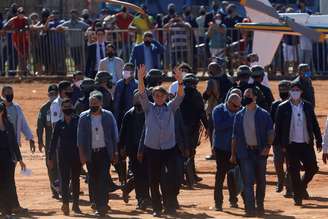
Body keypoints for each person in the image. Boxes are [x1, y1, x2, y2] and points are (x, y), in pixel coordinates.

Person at [137, 64, 184, 217]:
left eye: (161, 95)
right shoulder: (148, 108)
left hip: (169, 149)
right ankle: (157, 208)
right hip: (152, 149)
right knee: (154, 180)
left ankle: (170, 205)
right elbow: (142, 93)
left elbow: (180, 97)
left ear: (165, 97)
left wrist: (180, 81)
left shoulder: (170, 108)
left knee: (170, 179)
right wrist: (140, 78)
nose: (158, 97)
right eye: (156, 95)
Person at [274, 80, 322, 206]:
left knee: (312, 168)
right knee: (294, 171)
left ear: (301, 92)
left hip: (306, 143)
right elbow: (278, 128)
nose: (295, 92)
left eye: (297, 90)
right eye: (293, 90)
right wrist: (280, 145)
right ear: (289, 92)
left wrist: (319, 140)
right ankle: (297, 196)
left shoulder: (307, 106)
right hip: (290, 145)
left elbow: (315, 124)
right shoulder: (282, 107)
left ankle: (300, 187)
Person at [230, 87, 274, 217]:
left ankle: (259, 205)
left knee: (261, 181)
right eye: (244, 95)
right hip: (245, 153)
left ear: (255, 97)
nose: (245, 97)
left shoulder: (264, 114)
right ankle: (250, 208)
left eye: (248, 95)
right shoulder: (239, 115)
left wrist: (268, 147)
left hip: (260, 152)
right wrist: (233, 154)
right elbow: (235, 136)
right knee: (248, 182)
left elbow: (270, 133)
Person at [77, 90, 119, 217]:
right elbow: (80, 138)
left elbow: (114, 135)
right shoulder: (83, 117)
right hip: (90, 153)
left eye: (95, 103)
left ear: (101, 103)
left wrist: (115, 152)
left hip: (104, 152)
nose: (93, 105)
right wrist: (81, 155)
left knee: (103, 178)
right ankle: (96, 202)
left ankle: (103, 204)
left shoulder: (108, 116)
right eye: (91, 103)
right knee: (93, 179)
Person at [48, 99, 81, 215]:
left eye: (69, 106)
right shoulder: (59, 124)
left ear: (72, 107)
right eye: (65, 107)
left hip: (76, 156)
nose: (67, 108)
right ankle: (65, 204)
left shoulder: (78, 121)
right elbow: (53, 141)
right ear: (62, 109)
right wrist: (50, 157)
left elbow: (83, 138)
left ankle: (76, 205)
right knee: (65, 182)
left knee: (76, 181)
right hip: (62, 157)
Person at [119, 91, 150, 209]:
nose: (138, 102)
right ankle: (141, 199)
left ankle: (133, 191)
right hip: (133, 149)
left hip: (148, 148)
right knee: (138, 175)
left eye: (140, 99)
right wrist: (121, 147)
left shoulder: (149, 112)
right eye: (136, 100)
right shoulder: (129, 115)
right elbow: (123, 132)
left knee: (147, 174)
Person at [212, 94, 241, 211]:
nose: (238, 108)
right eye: (235, 106)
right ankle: (218, 203)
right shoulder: (218, 110)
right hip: (221, 149)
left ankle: (233, 200)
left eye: (239, 106)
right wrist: (235, 120)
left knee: (234, 175)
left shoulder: (240, 110)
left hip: (235, 149)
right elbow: (218, 126)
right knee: (220, 176)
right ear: (228, 103)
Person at [0, 102, 27, 218]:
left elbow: (14, 144)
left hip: (8, 158)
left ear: (2, 111)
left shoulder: (8, 124)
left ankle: (7, 210)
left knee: (8, 184)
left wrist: (20, 159)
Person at [180, 73, 208, 183]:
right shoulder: (196, 95)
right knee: (190, 151)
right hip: (192, 127)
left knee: (183, 151)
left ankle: (184, 176)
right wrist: (207, 127)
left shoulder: (180, 94)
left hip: (182, 127)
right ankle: (190, 176)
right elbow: (202, 112)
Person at [203, 61, 233, 160]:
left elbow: (206, 94)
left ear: (211, 71)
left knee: (213, 131)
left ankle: (214, 153)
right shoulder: (229, 79)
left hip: (214, 108)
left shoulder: (211, 81)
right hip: (229, 108)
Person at [36, 84, 59, 199]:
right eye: (50, 94)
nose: (52, 96)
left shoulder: (62, 106)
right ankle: (54, 190)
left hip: (62, 142)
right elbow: (40, 126)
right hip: (50, 142)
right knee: (51, 165)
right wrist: (40, 140)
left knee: (63, 165)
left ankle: (64, 188)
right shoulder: (44, 108)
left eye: (55, 94)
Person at [270, 80, 293, 196]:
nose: (283, 92)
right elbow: (271, 123)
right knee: (278, 162)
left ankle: (289, 188)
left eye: (285, 90)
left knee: (290, 163)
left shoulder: (294, 104)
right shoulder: (275, 105)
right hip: (277, 140)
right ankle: (280, 180)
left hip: (291, 140)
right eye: (281, 90)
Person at [114, 63, 138, 130]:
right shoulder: (119, 84)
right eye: (124, 69)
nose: (125, 71)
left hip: (131, 116)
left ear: (132, 72)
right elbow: (115, 100)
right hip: (119, 116)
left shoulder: (137, 85)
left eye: (127, 69)